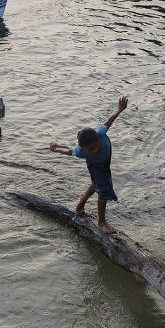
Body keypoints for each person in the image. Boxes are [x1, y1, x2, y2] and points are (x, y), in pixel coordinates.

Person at [49, 96, 129, 234]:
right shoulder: (81, 151)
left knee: (96, 184)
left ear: (99, 138)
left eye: (95, 146)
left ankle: (81, 204)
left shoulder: (101, 133)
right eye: (90, 149)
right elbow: (69, 151)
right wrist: (56, 149)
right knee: (103, 191)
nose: (94, 150)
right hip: (95, 165)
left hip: (106, 161)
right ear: (84, 148)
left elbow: (110, 120)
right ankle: (101, 222)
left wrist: (119, 109)